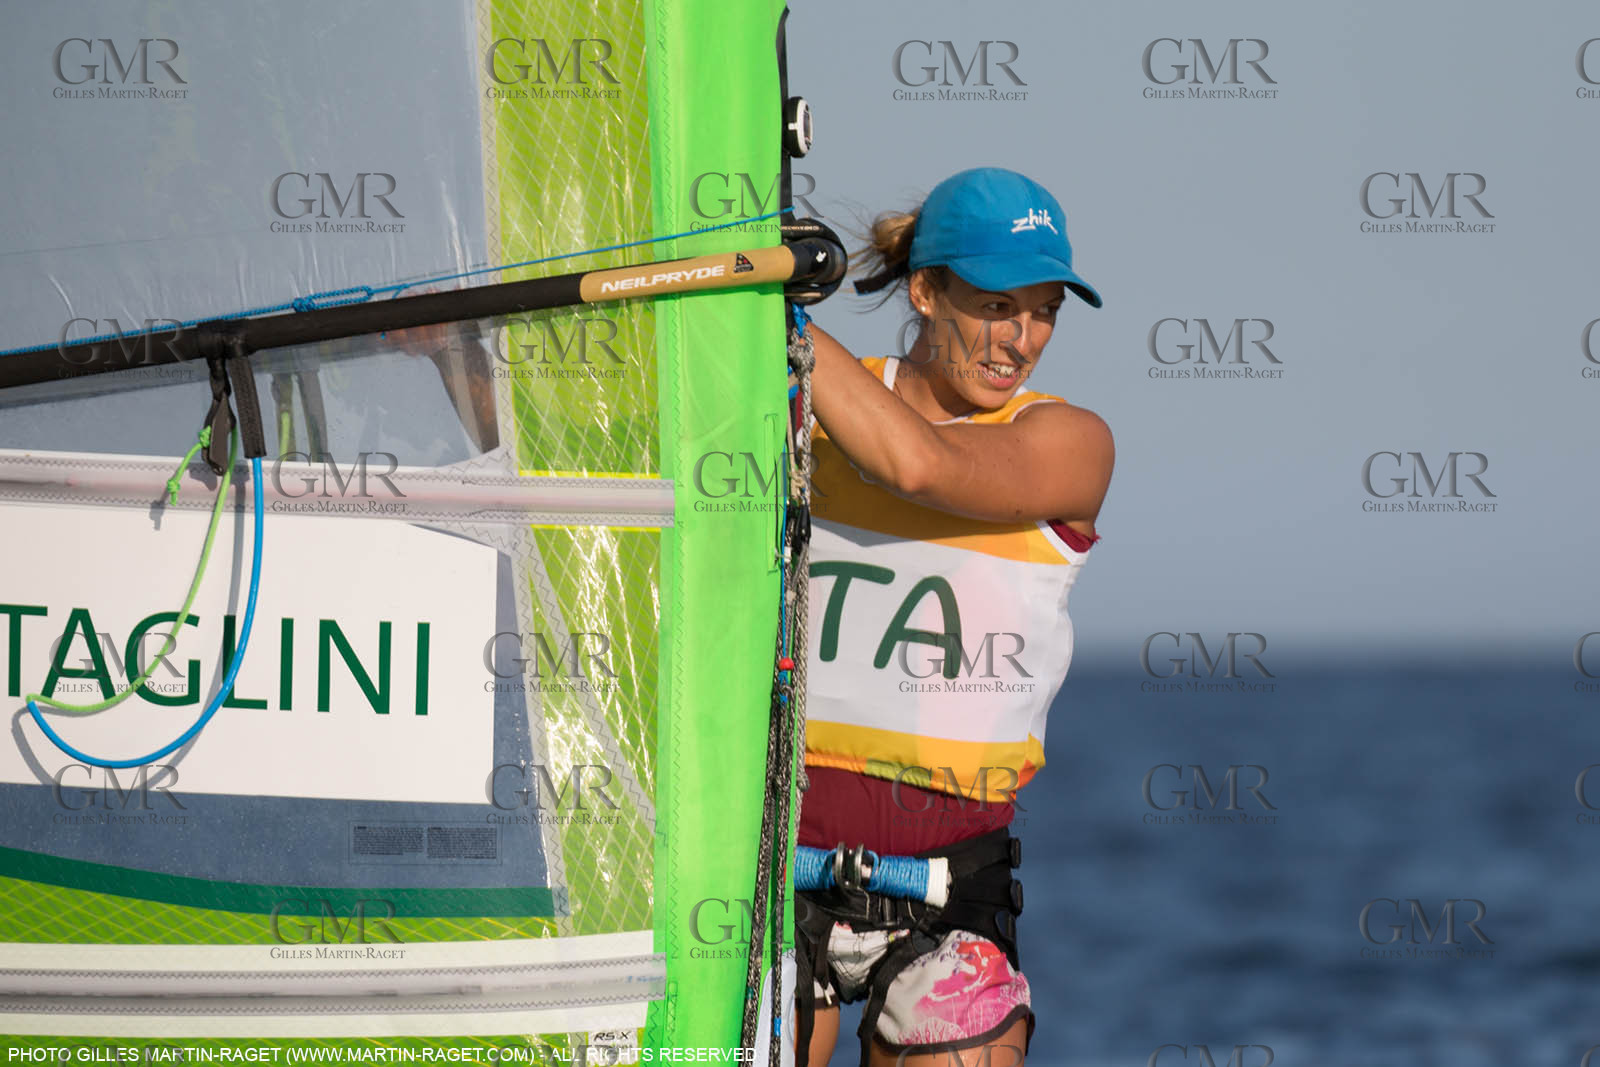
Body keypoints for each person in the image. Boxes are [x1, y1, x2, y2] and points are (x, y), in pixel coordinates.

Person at [792, 167, 1113, 1066]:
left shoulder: (1072, 444)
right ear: (926, 292)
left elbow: (920, 465)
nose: (1021, 339)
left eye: (1044, 312)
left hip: (948, 893)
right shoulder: (799, 404)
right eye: (997, 307)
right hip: (774, 867)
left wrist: (773, 313)